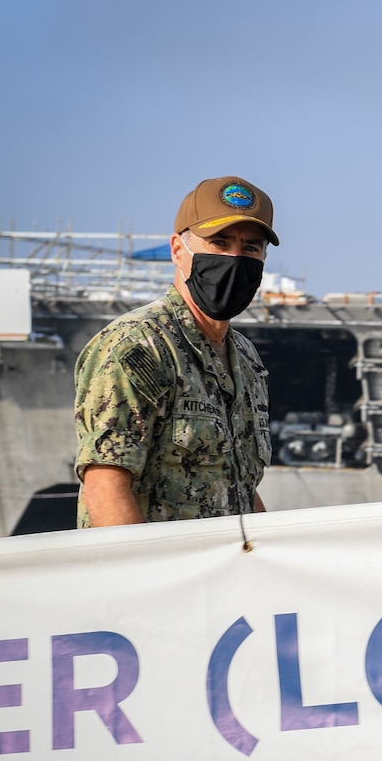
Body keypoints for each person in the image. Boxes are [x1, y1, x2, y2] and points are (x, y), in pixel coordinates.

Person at [74, 176, 279, 527]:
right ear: (177, 249)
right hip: (157, 575)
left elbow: (237, 485)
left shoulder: (244, 358)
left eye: (250, 248)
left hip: (223, 576)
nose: (234, 258)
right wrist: (153, 578)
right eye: (219, 242)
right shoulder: (138, 345)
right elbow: (105, 485)